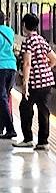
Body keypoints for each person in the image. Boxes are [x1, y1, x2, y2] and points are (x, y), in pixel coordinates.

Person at [13, 13, 56, 150]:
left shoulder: (28, 41)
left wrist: (25, 83)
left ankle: (28, 138)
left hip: (34, 83)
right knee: (43, 110)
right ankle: (43, 141)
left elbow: (27, 63)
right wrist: (44, 69)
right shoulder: (41, 40)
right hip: (47, 82)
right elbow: (54, 59)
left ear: (25, 26)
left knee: (25, 108)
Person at [0, 11, 17, 139]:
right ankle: (1, 128)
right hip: (12, 67)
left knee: (2, 98)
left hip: (1, 68)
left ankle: (10, 128)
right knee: (4, 97)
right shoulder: (9, 31)